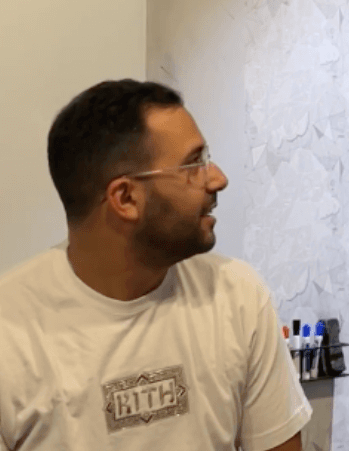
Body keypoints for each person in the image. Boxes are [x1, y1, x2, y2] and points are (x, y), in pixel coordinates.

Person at [0, 80, 312, 451]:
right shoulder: (11, 332)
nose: (218, 178)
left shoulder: (237, 295)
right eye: (194, 163)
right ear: (126, 197)